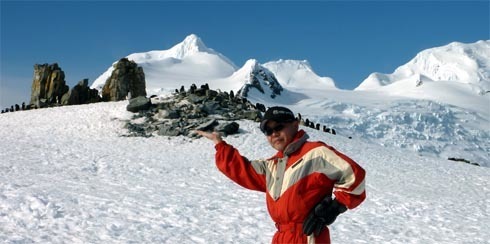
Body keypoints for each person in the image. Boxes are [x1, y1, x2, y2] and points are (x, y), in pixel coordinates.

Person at [196, 106, 366, 243]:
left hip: (308, 236)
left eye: (279, 127)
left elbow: (354, 176)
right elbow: (241, 169)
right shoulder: (273, 166)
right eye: (268, 131)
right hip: (281, 237)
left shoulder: (317, 153)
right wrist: (220, 145)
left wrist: (334, 209)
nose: (274, 134)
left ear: (295, 124)